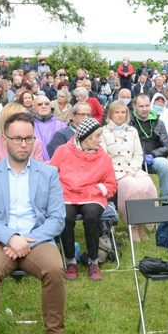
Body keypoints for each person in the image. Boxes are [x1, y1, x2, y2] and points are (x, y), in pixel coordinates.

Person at [0, 112, 73, 334]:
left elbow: (57, 219)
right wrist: (11, 237)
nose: (23, 144)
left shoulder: (48, 174)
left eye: (28, 138)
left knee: (55, 269)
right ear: (4, 140)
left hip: (36, 240)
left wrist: (27, 240)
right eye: (17, 139)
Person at [49, 118, 117, 282]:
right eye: (96, 136)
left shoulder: (104, 157)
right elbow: (50, 174)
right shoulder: (63, 151)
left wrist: (93, 190)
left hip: (93, 197)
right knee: (65, 217)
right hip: (66, 195)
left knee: (92, 216)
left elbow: (111, 185)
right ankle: (71, 261)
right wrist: (61, 189)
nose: (100, 140)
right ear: (84, 138)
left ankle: (93, 262)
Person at [100, 100, 158, 242]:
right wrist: (123, 173)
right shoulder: (103, 132)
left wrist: (132, 170)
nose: (120, 115)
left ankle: (141, 224)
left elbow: (138, 154)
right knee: (133, 187)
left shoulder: (132, 131)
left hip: (132, 168)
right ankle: (132, 226)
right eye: (117, 112)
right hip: (115, 170)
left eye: (123, 112)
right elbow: (104, 157)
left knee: (148, 184)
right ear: (110, 115)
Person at [130, 93, 168, 197]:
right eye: (141, 106)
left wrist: (153, 155)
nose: (144, 109)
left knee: (165, 165)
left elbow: (167, 147)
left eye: (147, 105)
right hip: (132, 159)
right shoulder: (129, 122)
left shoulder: (159, 123)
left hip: (152, 158)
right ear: (134, 106)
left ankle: (166, 199)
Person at [31, 95, 67, 161]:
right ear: (34, 108)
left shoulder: (62, 125)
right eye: (39, 104)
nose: (44, 106)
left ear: (50, 107)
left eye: (47, 104)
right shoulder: (29, 125)